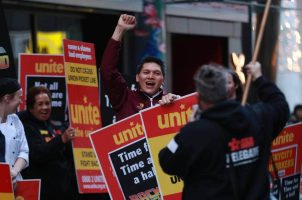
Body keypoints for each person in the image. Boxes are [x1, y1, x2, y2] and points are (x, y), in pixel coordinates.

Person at [158, 62, 289, 199]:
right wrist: (259, 77)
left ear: (200, 98)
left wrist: (188, 127)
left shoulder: (194, 132)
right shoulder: (258, 116)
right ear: (229, 92)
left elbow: (167, 161)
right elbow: (279, 104)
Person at [101, 14, 179, 121]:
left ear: (163, 79)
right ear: (137, 77)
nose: (151, 76)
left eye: (156, 73)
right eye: (146, 72)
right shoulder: (125, 98)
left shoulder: (170, 101)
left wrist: (178, 103)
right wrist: (120, 29)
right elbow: (107, 71)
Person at [17, 86, 77, 200]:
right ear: (31, 107)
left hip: (60, 191)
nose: (45, 107)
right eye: (40, 104)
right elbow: (38, 154)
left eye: (47, 103)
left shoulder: (53, 125)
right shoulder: (25, 127)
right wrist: (61, 140)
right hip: (39, 192)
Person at [0, 77, 29, 183]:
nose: (21, 102)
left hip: (15, 182)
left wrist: (14, 171)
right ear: (7, 98)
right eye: (19, 97)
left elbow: (24, 151)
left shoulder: (16, 120)